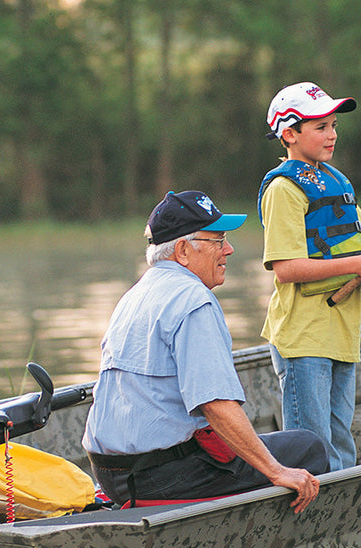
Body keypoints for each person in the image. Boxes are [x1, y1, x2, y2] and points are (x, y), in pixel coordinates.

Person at [83, 190, 328, 513]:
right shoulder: (193, 301)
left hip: (110, 472)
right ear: (183, 250)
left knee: (259, 446)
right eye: (218, 240)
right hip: (156, 476)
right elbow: (215, 404)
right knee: (308, 448)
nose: (229, 249)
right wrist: (277, 471)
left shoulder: (136, 293)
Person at [258, 81, 361, 471]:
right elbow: (286, 269)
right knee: (311, 449)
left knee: (340, 443)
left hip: (341, 332)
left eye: (333, 125)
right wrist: (355, 266)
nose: (332, 134)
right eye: (320, 127)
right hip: (304, 335)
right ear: (289, 134)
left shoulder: (336, 181)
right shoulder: (283, 189)